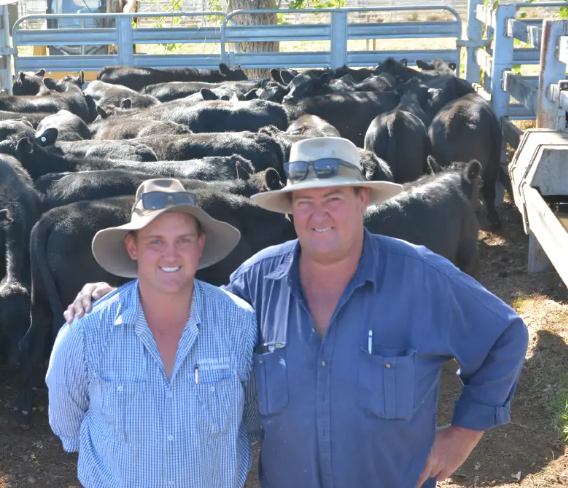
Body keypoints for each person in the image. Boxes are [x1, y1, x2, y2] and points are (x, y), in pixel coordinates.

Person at [63, 137, 530, 488]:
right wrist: (121, 294)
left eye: (333, 199)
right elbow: (190, 313)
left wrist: (462, 436)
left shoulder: (420, 276)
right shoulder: (256, 282)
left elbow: (506, 336)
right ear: (290, 210)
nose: (318, 215)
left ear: (363, 199)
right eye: (305, 201)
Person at [45, 178, 261, 488]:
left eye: (183, 240)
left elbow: (250, 419)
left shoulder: (239, 322)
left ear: (200, 244)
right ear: (132, 247)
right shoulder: (86, 331)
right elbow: (68, 423)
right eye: (156, 241)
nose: (170, 255)